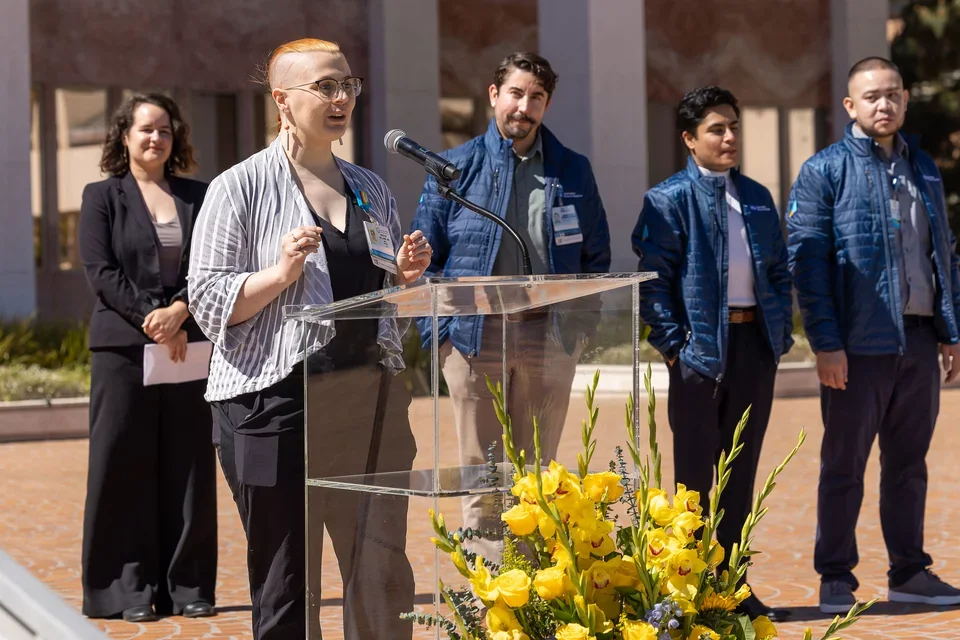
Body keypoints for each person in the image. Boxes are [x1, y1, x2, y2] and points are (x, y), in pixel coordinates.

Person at [188, 38, 431, 640]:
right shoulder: (236, 188)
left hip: (369, 403)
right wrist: (279, 275)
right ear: (282, 100)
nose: (341, 97)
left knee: (379, 571)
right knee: (287, 578)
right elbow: (209, 303)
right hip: (275, 406)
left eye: (347, 84)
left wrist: (399, 280)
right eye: (324, 87)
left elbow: (382, 307)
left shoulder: (371, 189)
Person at [410, 52, 610, 560]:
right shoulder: (453, 169)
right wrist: (443, 336)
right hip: (475, 339)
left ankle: (533, 599)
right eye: (516, 93)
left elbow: (595, 257)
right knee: (483, 475)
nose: (525, 106)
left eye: (537, 97)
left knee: (537, 477)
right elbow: (422, 261)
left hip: (549, 335)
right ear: (495, 95)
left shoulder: (572, 169)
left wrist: (580, 329)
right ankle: (489, 602)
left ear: (547, 104)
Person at [788, 56, 960, 614]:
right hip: (856, 348)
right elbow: (807, 265)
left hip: (916, 339)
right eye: (871, 97)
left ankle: (910, 571)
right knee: (844, 465)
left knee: (909, 464)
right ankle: (836, 576)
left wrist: (950, 333)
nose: (883, 105)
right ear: (850, 107)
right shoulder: (824, 170)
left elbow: (943, 258)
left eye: (892, 95)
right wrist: (826, 343)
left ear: (905, 100)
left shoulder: (925, 169)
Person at [632, 86, 794, 622]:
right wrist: (676, 349)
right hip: (699, 353)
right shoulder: (667, 198)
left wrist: (779, 339)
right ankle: (688, 589)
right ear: (689, 138)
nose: (729, 138)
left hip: (754, 347)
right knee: (694, 481)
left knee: (741, 473)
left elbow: (777, 270)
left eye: (733, 128)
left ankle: (733, 588)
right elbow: (653, 284)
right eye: (716, 130)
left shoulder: (757, 196)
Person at [78, 93, 217, 623]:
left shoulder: (198, 197)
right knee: (123, 467)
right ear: (124, 137)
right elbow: (101, 272)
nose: (155, 138)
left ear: (175, 137)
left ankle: (187, 587)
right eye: (144, 130)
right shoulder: (100, 197)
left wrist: (180, 311)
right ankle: (125, 589)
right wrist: (153, 321)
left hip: (187, 342)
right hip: (122, 349)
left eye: (164, 129)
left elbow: (211, 262)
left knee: (188, 466)